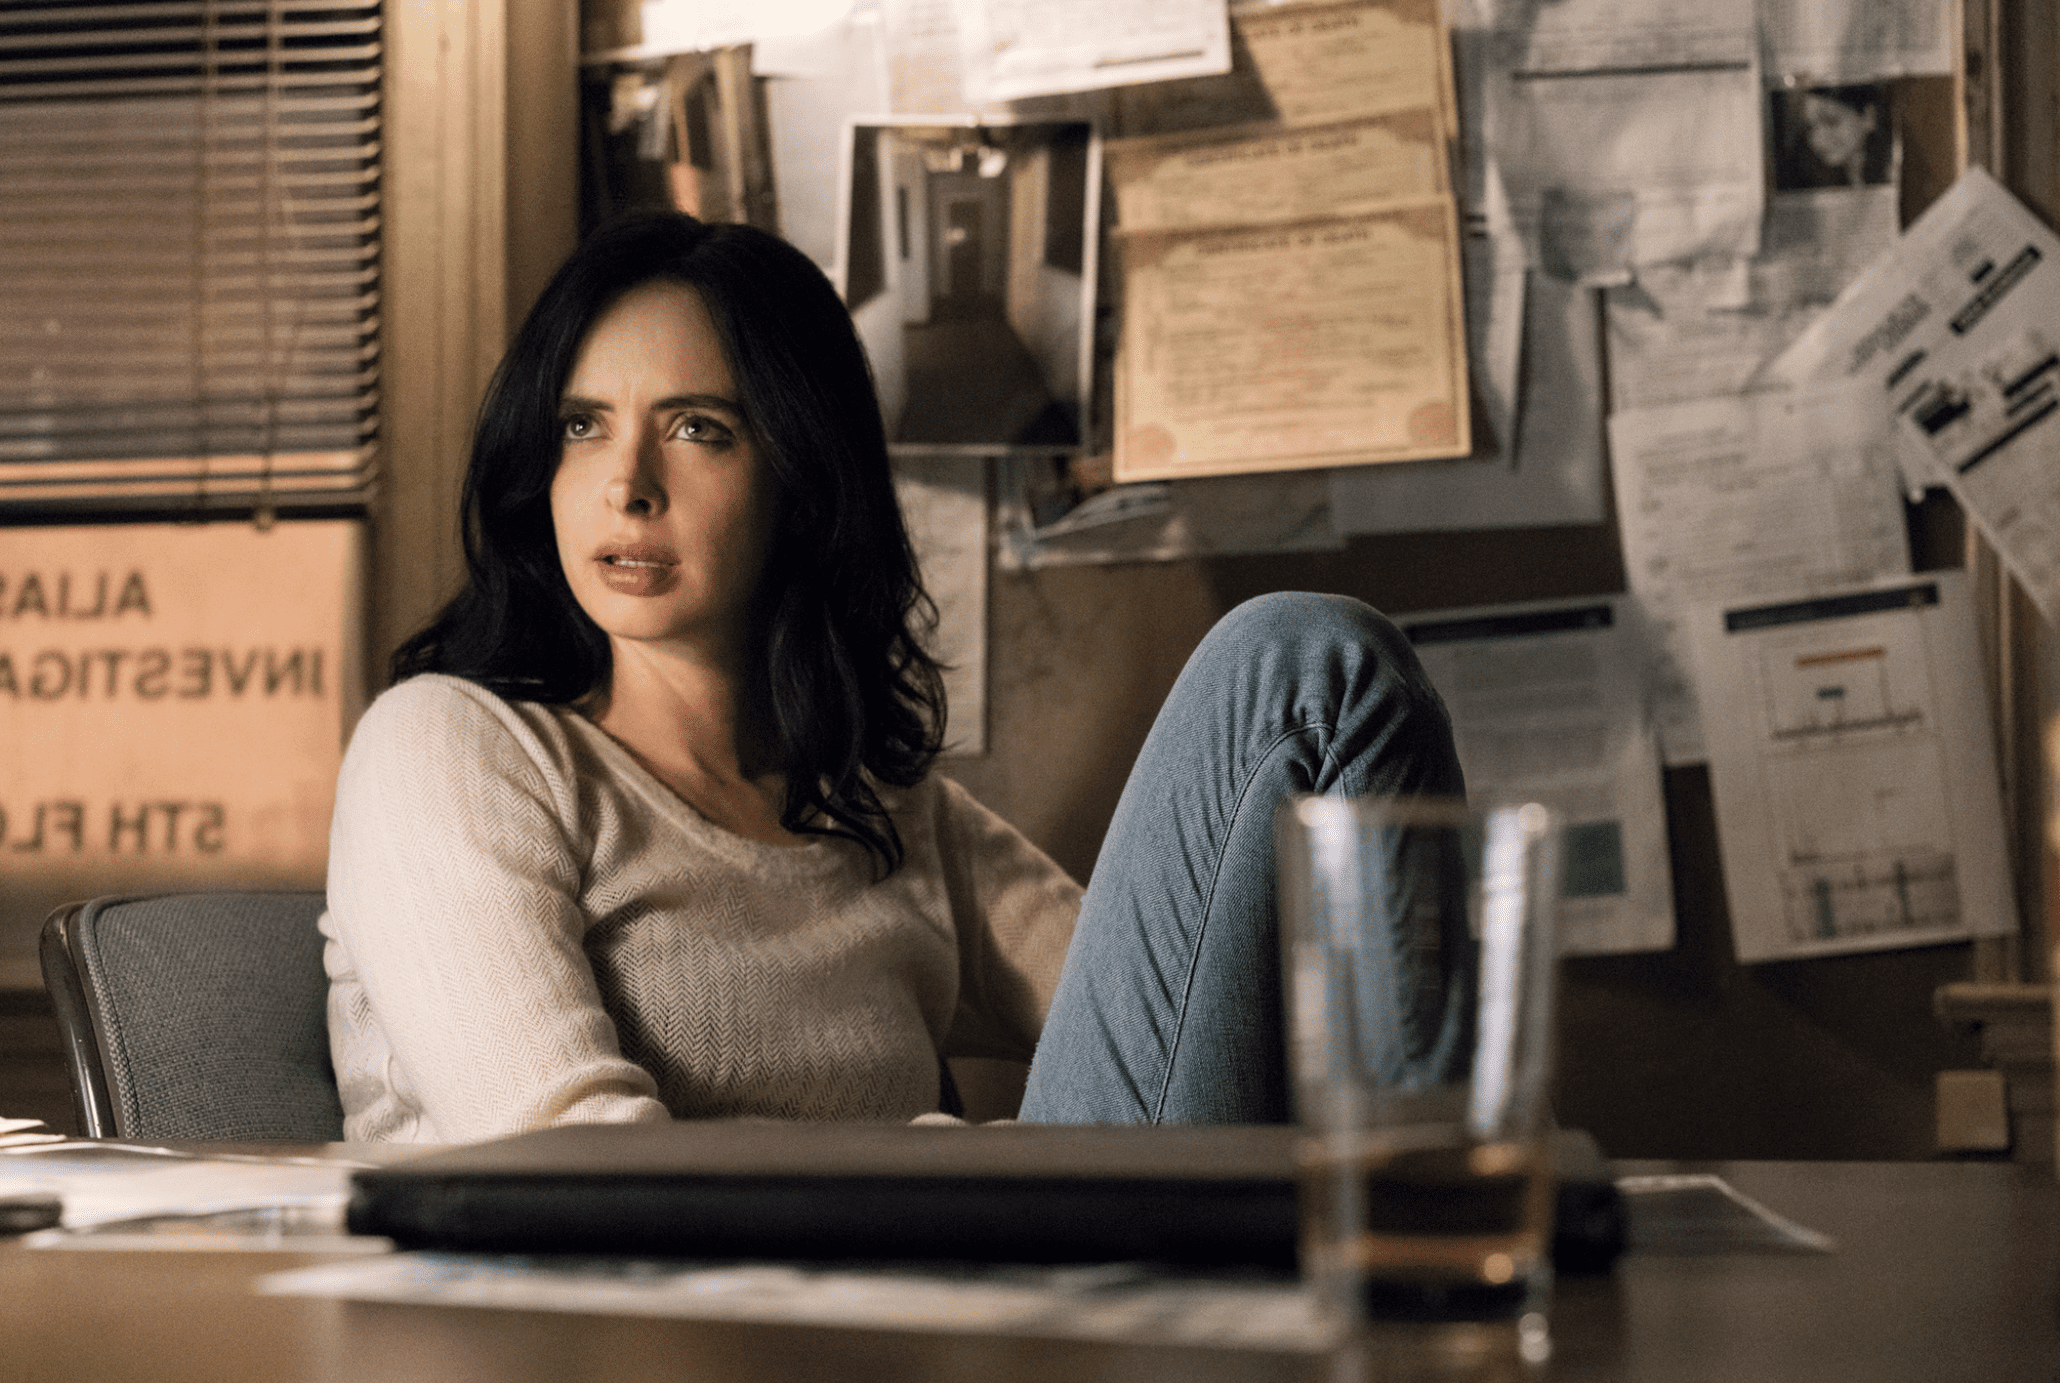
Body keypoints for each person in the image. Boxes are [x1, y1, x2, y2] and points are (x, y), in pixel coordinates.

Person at [320, 211, 1464, 1143]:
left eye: (698, 429)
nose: (625, 484)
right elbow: (570, 1172)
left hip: (953, 1318)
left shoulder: (887, 814)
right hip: (643, 1339)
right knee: (1291, 665)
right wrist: (952, 1167)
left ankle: (1449, 1215)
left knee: (1316, 665)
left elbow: (1187, 1029)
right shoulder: (448, 750)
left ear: (799, 479)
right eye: (580, 425)